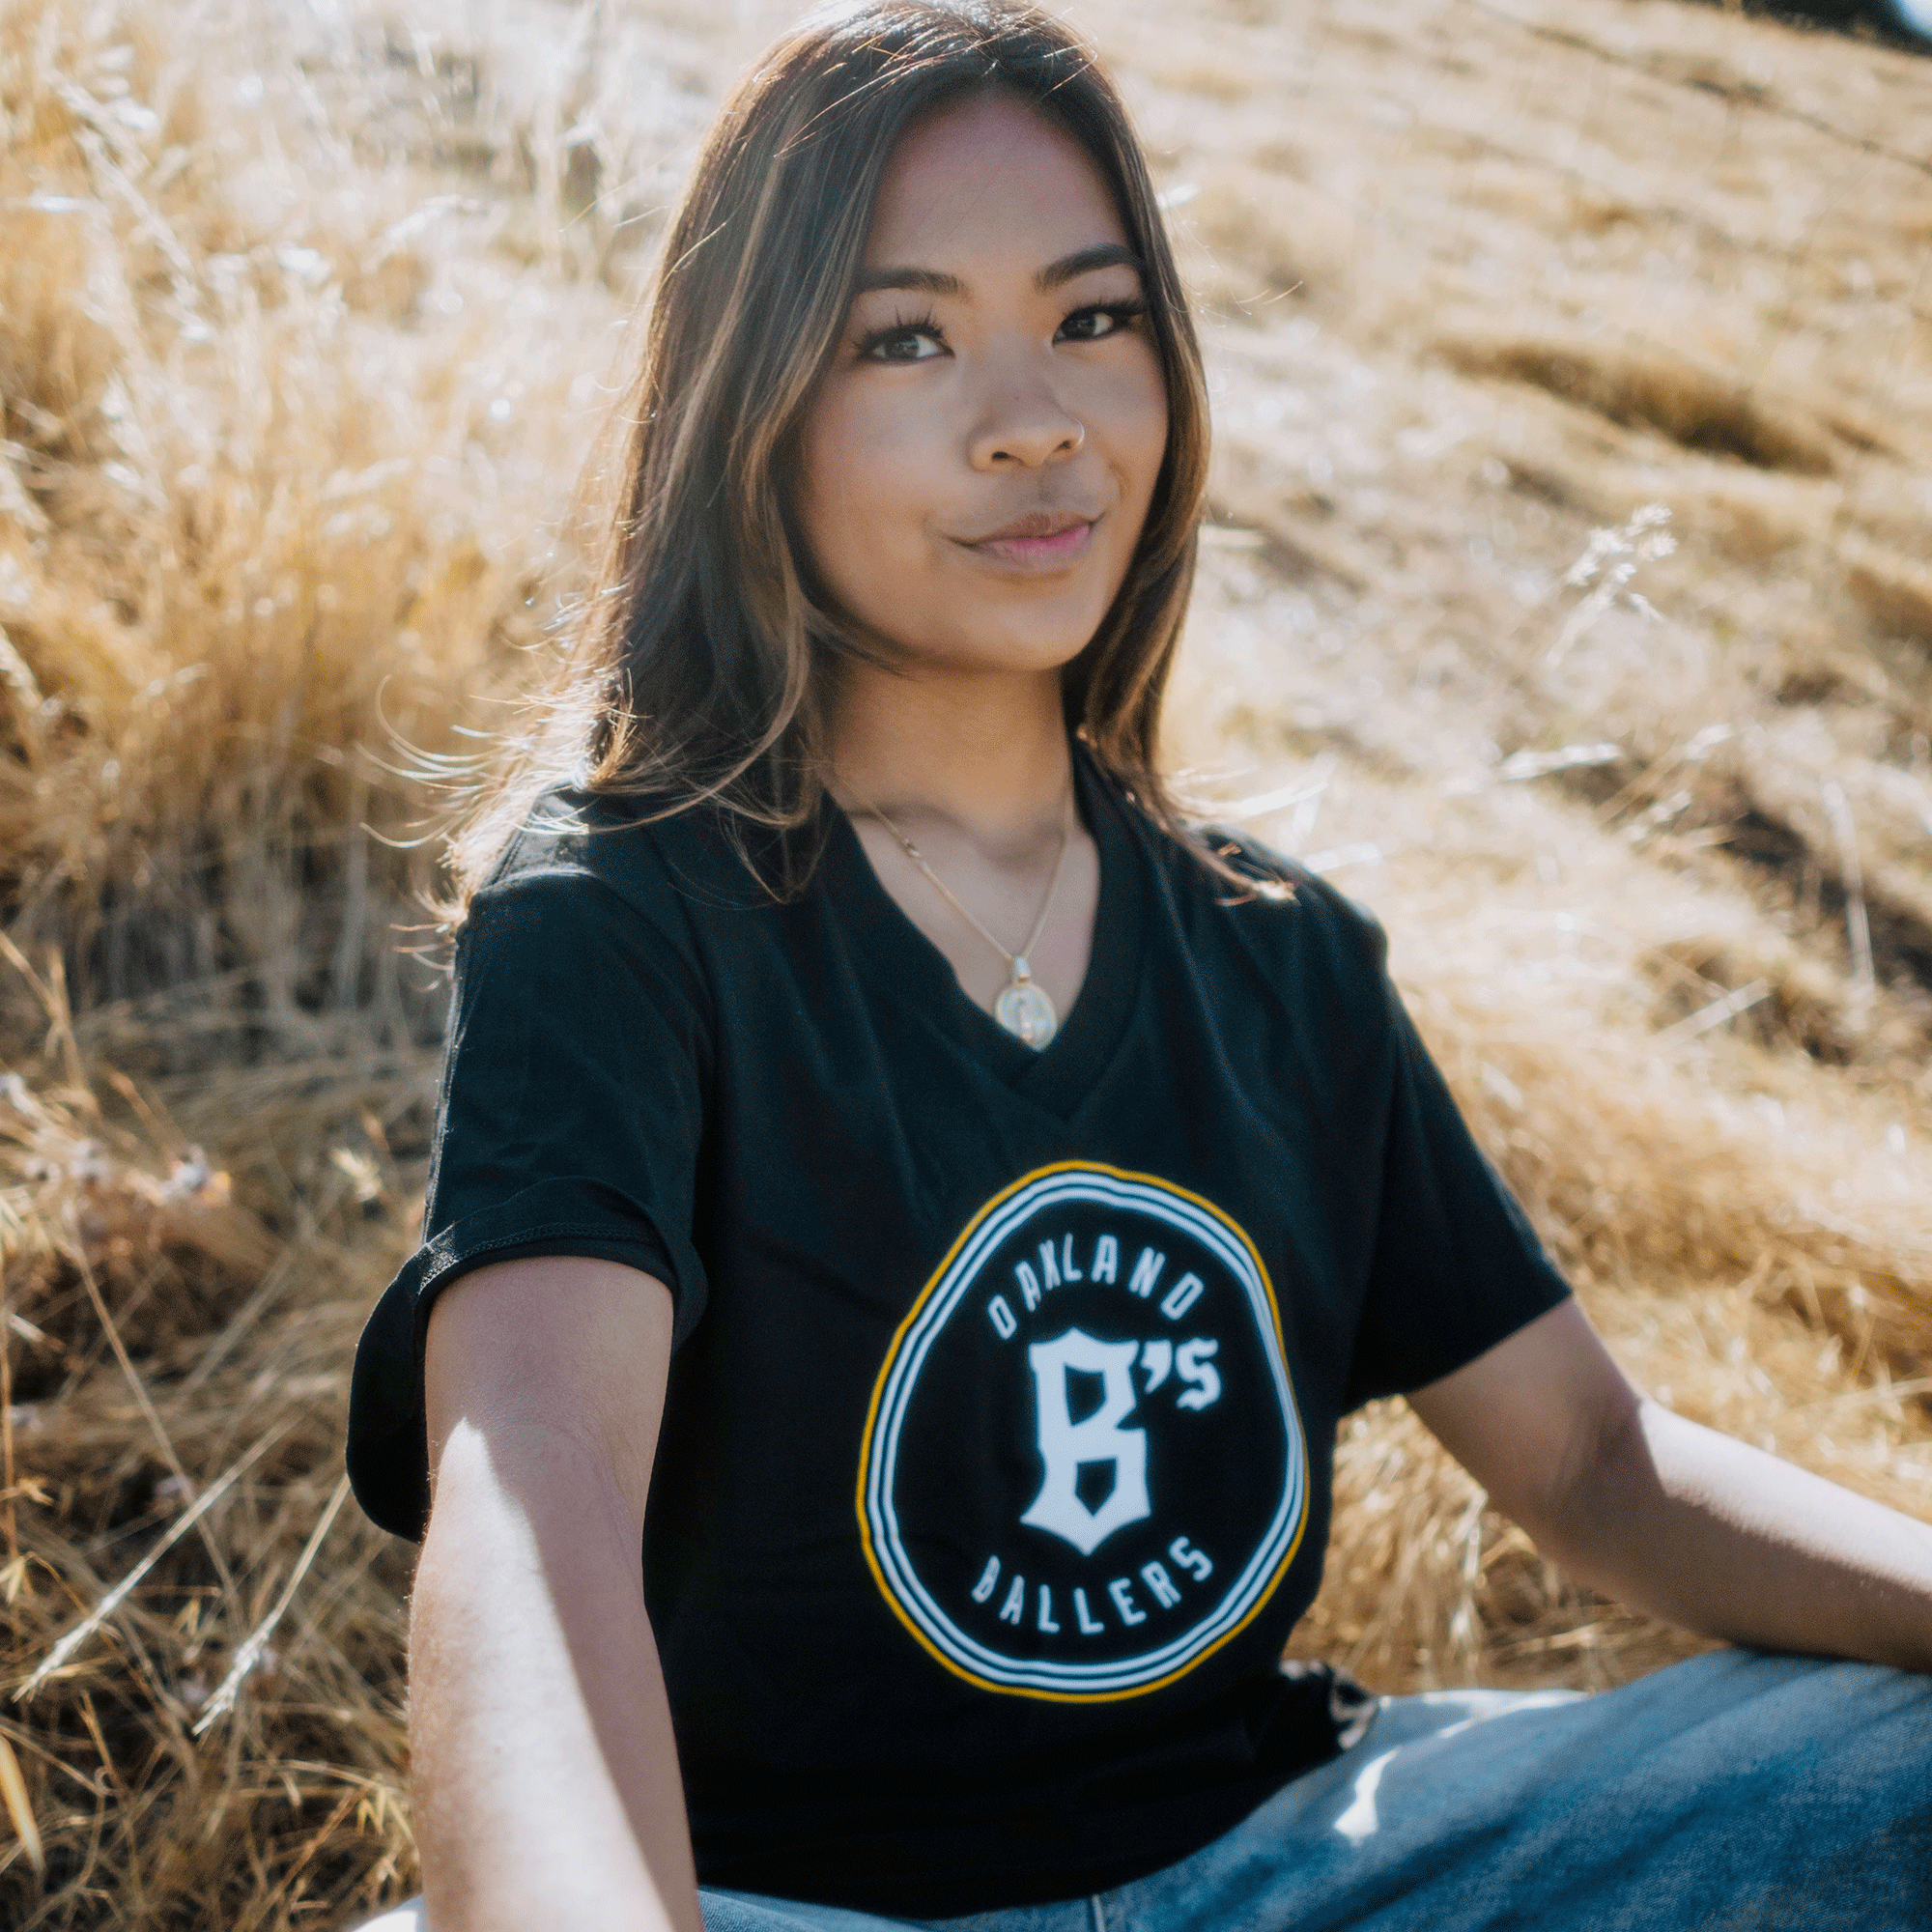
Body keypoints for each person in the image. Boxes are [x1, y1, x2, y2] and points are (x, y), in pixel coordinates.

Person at [344, 5, 1932, 1928]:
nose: (1037, 418)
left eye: (1092, 318)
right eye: (905, 336)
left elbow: (1593, 1461)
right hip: (798, 1902)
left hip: (1299, 1868)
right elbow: (531, 1501)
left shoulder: (1279, 955)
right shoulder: (615, 908)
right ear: (751, 405)